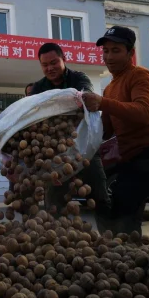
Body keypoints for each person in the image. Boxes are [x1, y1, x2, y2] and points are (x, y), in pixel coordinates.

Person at [82, 26, 149, 235]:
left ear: (131, 53)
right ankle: (126, 254)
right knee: (116, 212)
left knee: (124, 214)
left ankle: (132, 258)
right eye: (105, 51)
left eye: (116, 50)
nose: (109, 56)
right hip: (130, 160)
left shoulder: (141, 76)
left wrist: (103, 103)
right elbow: (105, 131)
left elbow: (143, 113)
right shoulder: (109, 88)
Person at [29, 42, 111, 224]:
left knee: (100, 197)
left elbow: (86, 93)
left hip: (85, 150)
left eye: (54, 62)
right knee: (53, 203)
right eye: (45, 65)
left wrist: (81, 99)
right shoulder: (38, 88)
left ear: (64, 60)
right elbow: (30, 112)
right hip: (56, 153)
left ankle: (111, 239)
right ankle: (57, 240)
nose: (50, 68)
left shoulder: (78, 78)